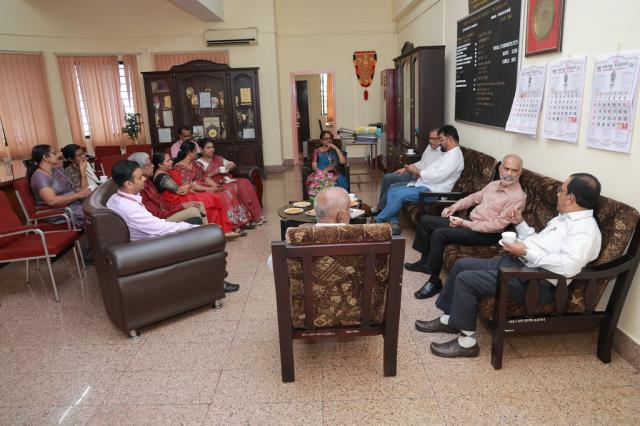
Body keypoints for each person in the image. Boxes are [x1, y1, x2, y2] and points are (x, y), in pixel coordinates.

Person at [415, 173, 602, 358]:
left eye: (561, 190)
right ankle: (450, 320)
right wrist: (520, 224)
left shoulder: (585, 230)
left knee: (466, 280)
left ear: (571, 198)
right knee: (461, 265)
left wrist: (526, 252)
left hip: (535, 282)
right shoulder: (563, 218)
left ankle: (467, 343)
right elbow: (538, 242)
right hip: (519, 265)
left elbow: (568, 266)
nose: (557, 193)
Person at [106, 160, 239, 293]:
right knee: (199, 237)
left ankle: (216, 272)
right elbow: (160, 228)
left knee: (198, 228)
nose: (144, 179)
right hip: (149, 246)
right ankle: (216, 284)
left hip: (147, 239)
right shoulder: (130, 208)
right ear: (128, 184)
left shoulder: (115, 198)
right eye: (140, 177)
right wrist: (196, 228)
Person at [408, 154, 527, 299]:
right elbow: (473, 198)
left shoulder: (518, 197)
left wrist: (464, 223)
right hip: (469, 223)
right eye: (506, 169)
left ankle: (434, 282)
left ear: (520, 172)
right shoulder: (493, 185)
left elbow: (496, 226)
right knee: (425, 221)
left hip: (486, 234)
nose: (509, 174)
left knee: (439, 234)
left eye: (514, 170)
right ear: (500, 169)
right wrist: (453, 207)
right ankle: (425, 263)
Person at [375, 125, 464, 232]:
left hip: (433, 192)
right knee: (392, 191)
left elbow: (437, 176)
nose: (440, 142)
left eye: (441, 139)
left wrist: (417, 172)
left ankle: (378, 220)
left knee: (398, 194)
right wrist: (416, 171)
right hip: (425, 185)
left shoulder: (454, 157)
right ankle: (395, 224)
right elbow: (431, 169)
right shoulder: (448, 154)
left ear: (449, 139)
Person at [152, 152, 240, 239]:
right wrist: (189, 185)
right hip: (175, 200)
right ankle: (221, 232)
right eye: (168, 161)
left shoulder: (166, 172)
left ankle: (223, 231)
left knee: (214, 201)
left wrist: (188, 186)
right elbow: (180, 191)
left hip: (182, 196)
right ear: (160, 164)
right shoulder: (162, 177)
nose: (171, 162)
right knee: (212, 199)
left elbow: (184, 187)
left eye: (170, 160)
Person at [172, 141, 251, 232]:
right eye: (195, 151)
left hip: (204, 187)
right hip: (193, 192)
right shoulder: (179, 167)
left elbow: (205, 177)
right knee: (222, 195)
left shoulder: (195, 164)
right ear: (190, 152)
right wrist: (209, 189)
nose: (198, 152)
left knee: (227, 190)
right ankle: (233, 226)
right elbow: (191, 186)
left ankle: (239, 222)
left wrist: (215, 185)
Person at [267, 186, 351, 270]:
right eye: (349, 210)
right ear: (341, 216)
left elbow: (272, 263)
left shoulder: (297, 238)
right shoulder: (357, 236)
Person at [196, 138, 264, 226]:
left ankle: (256, 216)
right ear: (201, 149)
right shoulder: (199, 163)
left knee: (245, 182)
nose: (211, 150)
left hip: (227, 179)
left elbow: (232, 164)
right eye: (208, 148)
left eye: (212, 147)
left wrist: (231, 166)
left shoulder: (218, 158)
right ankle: (243, 221)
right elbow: (202, 178)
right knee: (233, 187)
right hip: (215, 184)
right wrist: (216, 171)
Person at [373, 127, 442, 213]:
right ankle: (381, 206)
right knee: (387, 177)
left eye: (434, 139)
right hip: (413, 172)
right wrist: (405, 168)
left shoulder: (442, 153)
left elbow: (430, 173)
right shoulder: (430, 147)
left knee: (393, 186)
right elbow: (421, 162)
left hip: (420, 178)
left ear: (440, 139)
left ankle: (379, 208)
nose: (431, 141)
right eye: (430, 138)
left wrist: (414, 171)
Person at [128, 152, 205, 225]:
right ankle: (205, 232)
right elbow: (157, 214)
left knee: (199, 204)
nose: (152, 166)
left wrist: (180, 206)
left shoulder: (148, 182)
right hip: (160, 221)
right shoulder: (140, 189)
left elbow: (162, 202)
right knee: (193, 210)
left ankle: (207, 230)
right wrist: (182, 206)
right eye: (149, 164)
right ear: (140, 169)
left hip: (166, 211)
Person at [29, 144, 90, 228]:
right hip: (57, 211)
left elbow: (78, 190)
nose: (58, 155)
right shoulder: (40, 177)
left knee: (98, 207)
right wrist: (78, 195)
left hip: (72, 205)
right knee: (94, 213)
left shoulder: (56, 170)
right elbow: (52, 201)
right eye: (54, 153)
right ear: (45, 158)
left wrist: (82, 173)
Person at [305, 130, 348, 197]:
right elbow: (314, 166)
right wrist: (322, 173)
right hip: (321, 174)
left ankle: (340, 200)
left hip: (335, 174)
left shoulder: (335, 150)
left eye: (330, 138)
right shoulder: (317, 151)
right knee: (322, 182)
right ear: (321, 140)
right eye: (325, 139)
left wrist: (336, 148)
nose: (328, 140)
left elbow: (343, 162)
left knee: (341, 180)